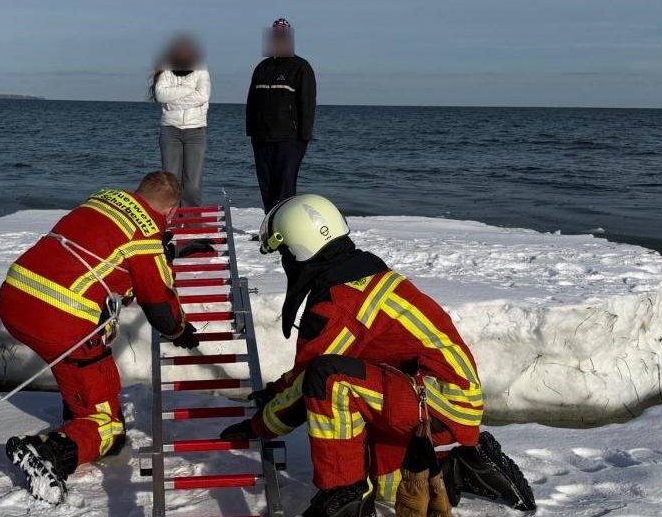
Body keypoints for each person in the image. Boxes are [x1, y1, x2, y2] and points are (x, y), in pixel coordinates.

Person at [220, 195, 535, 517]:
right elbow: (309, 365)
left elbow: (310, 381)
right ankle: (459, 470)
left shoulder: (340, 302)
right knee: (388, 487)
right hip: (432, 393)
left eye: (284, 252)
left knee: (329, 379)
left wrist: (260, 426)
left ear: (298, 250)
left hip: (438, 402)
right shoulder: (360, 276)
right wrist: (274, 393)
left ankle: (343, 495)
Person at [0, 172, 212, 505]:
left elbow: (102, 253)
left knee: (76, 367)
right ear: (171, 212)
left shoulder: (103, 199)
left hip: (14, 297)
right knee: (110, 428)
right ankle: (47, 452)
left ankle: (75, 412)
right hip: (61, 317)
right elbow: (159, 307)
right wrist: (180, 330)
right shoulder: (147, 238)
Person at [246, 17, 317, 212]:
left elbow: (307, 102)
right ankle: (270, 227)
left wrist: (303, 136)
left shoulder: (301, 67)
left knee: (284, 185)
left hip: (289, 138)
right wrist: (251, 130)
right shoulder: (262, 68)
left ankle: (285, 226)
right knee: (267, 185)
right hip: (261, 137)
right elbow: (252, 101)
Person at [152, 34, 211, 207]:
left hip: (195, 131)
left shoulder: (201, 68)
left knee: (192, 184)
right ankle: (171, 217)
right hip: (170, 130)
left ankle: (191, 219)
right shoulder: (166, 68)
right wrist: (187, 90)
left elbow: (203, 96)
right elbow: (160, 94)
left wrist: (174, 97)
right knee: (170, 181)